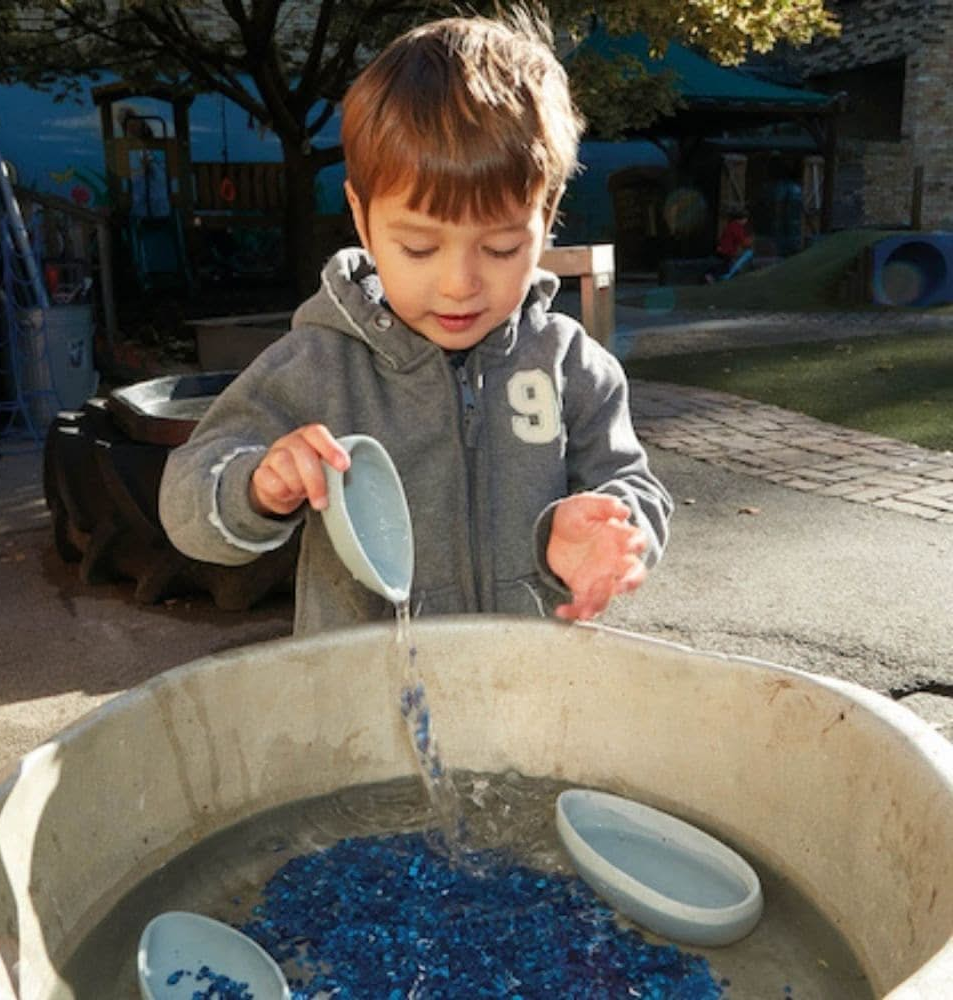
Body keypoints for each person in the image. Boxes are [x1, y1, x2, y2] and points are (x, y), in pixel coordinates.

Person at [159, 11, 672, 637]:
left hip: (528, 688)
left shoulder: (569, 364)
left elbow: (633, 485)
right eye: (420, 250)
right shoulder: (316, 365)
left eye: (502, 248)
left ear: (548, 214)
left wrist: (609, 529)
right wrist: (255, 487)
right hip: (365, 703)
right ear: (361, 215)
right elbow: (185, 501)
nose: (459, 283)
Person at [705, 207, 753, 283]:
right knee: (726, 267)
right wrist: (749, 241)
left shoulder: (731, 225)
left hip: (723, 249)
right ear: (741, 219)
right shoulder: (737, 227)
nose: (746, 221)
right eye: (745, 219)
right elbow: (742, 241)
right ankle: (711, 275)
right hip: (727, 250)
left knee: (725, 265)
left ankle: (711, 275)